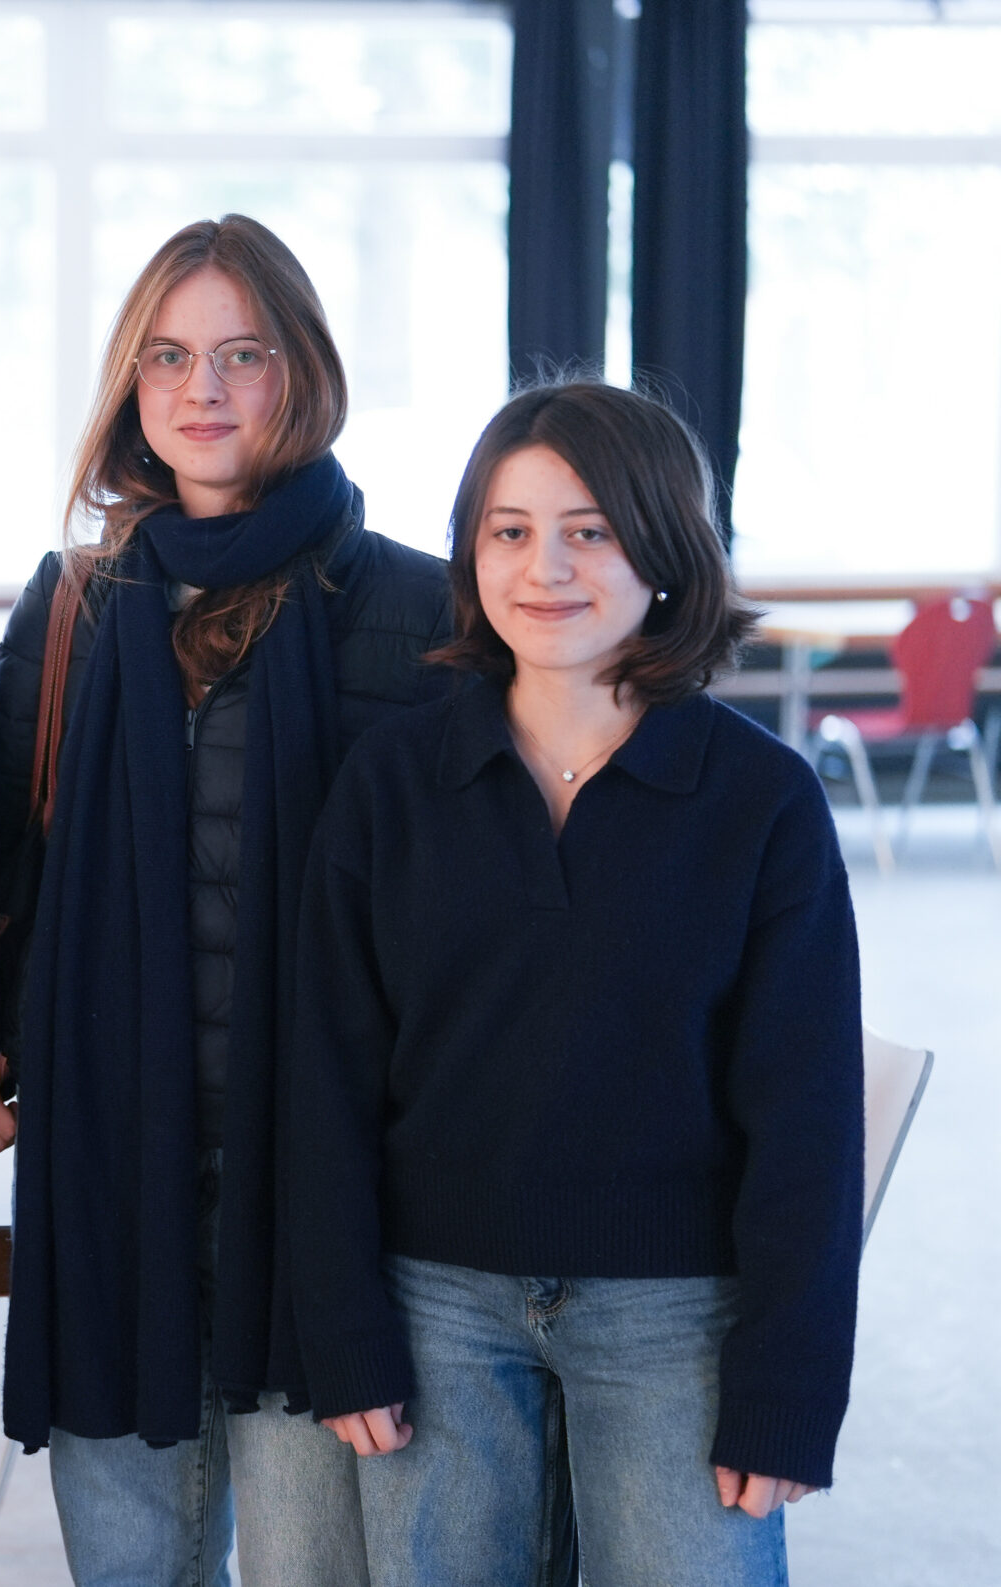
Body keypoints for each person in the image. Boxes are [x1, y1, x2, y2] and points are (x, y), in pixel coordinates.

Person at [281, 379, 863, 1585]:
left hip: (675, 1313)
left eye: (588, 530)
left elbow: (805, 1122)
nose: (544, 567)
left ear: (663, 552)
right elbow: (324, 1073)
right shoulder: (391, 784)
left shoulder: (760, 802)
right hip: (432, 1299)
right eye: (509, 531)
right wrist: (343, 1332)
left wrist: (789, 1388)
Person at [0, 214, 451, 1587]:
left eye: (245, 352)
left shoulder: (417, 610)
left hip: (330, 1188)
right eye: (169, 355)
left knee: (309, 1569)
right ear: (131, 384)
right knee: (129, 1567)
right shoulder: (74, 606)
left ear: (305, 372)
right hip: (114, 1167)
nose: (205, 388)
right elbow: (10, 864)